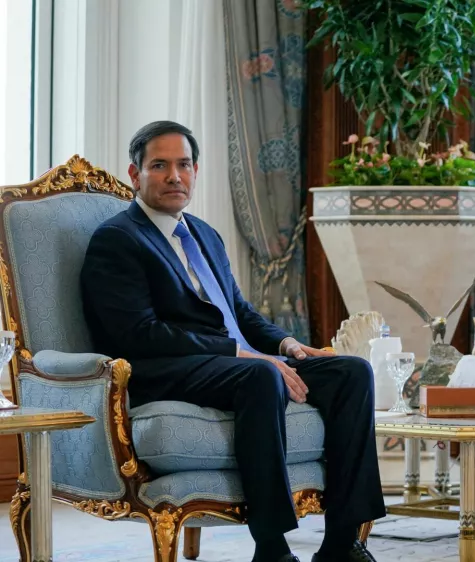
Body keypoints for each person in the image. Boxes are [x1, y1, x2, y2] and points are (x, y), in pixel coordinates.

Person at [80, 121, 384, 562]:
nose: (174, 176)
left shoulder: (204, 233)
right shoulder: (118, 240)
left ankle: (341, 541)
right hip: (164, 368)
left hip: (233, 363)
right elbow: (138, 334)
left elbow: (239, 314)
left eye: (183, 165)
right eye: (159, 166)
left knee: (352, 372)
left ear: (196, 170)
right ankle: (272, 548)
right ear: (135, 173)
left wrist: (288, 347)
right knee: (260, 375)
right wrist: (241, 354)